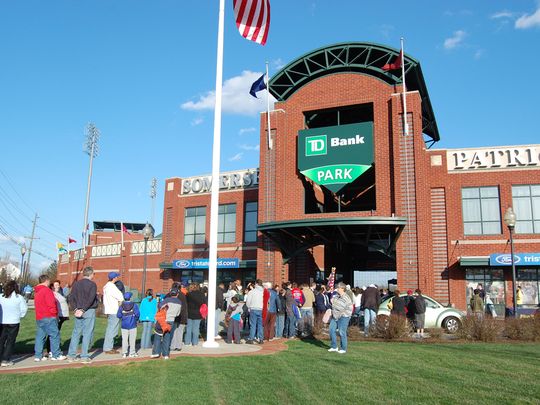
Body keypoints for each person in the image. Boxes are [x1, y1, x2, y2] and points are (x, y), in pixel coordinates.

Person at [67, 266, 98, 363]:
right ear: (90, 274)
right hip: (88, 310)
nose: (94, 275)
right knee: (87, 333)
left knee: (76, 332)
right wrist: (83, 310)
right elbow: (91, 298)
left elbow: (71, 298)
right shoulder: (92, 284)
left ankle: (71, 355)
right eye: (93, 273)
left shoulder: (76, 284)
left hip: (78, 310)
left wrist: (76, 309)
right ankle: (84, 356)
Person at [33, 274, 66, 361]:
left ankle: (38, 355)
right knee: (55, 335)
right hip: (49, 316)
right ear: (46, 281)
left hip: (39, 317)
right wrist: (55, 314)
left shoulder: (37, 291)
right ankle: (56, 355)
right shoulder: (47, 291)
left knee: (40, 336)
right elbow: (51, 304)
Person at [0, 280, 28, 367]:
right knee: (10, 341)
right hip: (14, 322)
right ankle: (5, 359)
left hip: (2, 321)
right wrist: (20, 316)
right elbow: (24, 309)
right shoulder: (19, 297)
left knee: (1, 340)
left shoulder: (1, 296)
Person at [152, 288, 182, 359]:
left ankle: (156, 353)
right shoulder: (179, 302)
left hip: (163, 319)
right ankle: (165, 354)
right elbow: (178, 314)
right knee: (167, 337)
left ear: (171, 293)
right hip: (171, 320)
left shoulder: (167, 300)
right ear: (177, 294)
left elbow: (159, 306)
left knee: (158, 335)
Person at [46, 280, 70, 357]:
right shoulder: (52, 294)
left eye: (58, 285)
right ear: (52, 286)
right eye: (56, 285)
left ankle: (54, 349)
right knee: (54, 333)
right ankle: (51, 350)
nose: (58, 286)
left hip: (62, 316)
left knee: (56, 333)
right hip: (57, 316)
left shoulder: (58, 293)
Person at [327, 282, 353, 354]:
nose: (337, 289)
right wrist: (331, 302)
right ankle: (334, 346)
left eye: (338, 287)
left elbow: (350, 308)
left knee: (342, 332)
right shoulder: (336, 296)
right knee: (331, 330)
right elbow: (333, 305)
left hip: (343, 317)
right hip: (335, 317)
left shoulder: (346, 297)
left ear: (342, 288)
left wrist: (344, 315)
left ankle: (343, 348)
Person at [102, 271, 124, 354]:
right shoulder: (112, 287)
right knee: (112, 329)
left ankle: (108, 346)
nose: (117, 278)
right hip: (114, 310)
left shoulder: (106, 286)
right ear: (114, 278)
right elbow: (121, 298)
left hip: (109, 310)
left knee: (110, 329)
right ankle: (108, 348)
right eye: (116, 277)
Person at [117, 292, 140, 358]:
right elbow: (138, 314)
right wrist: (135, 319)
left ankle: (124, 353)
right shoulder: (134, 305)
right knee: (132, 339)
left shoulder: (121, 306)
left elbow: (118, 315)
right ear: (130, 298)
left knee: (124, 339)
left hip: (124, 325)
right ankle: (132, 353)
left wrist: (123, 317)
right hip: (132, 324)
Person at [245, 279, 264, 344]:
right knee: (260, 325)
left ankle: (251, 339)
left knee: (253, 324)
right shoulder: (263, 291)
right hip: (261, 309)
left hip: (253, 309)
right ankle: (261, 339)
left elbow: (248, 301)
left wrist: (249, 307)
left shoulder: (252, 292)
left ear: (256, 284)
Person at [170, 283, 188, 351]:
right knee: (180, 332)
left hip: (174, 315)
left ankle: (173, 346)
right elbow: (185, 307)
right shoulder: (183, 295)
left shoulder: (171, 295)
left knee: (174, 331)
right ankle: (178, 346)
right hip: (182, 316)